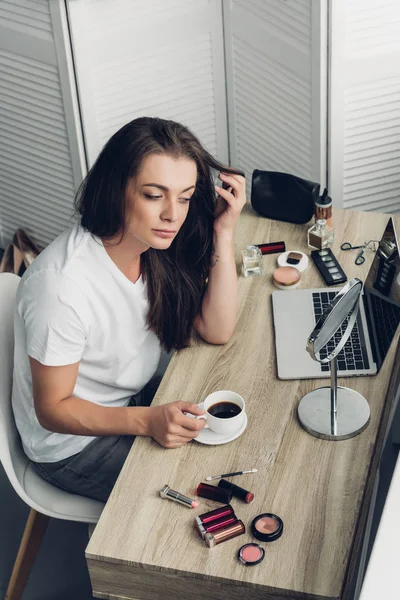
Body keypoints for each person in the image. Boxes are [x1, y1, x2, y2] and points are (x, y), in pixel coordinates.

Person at [12, 117, 246, 503]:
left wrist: (224, 231)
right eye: (154, 195)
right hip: (72, 444)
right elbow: (52, 410)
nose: (174, 214)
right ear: (117, 189)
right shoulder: (61, 286)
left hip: (132, 399)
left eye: (185, 197)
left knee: (231, 440)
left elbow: (217, 329)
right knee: (199, 496)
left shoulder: (152, 246)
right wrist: (148, 421)